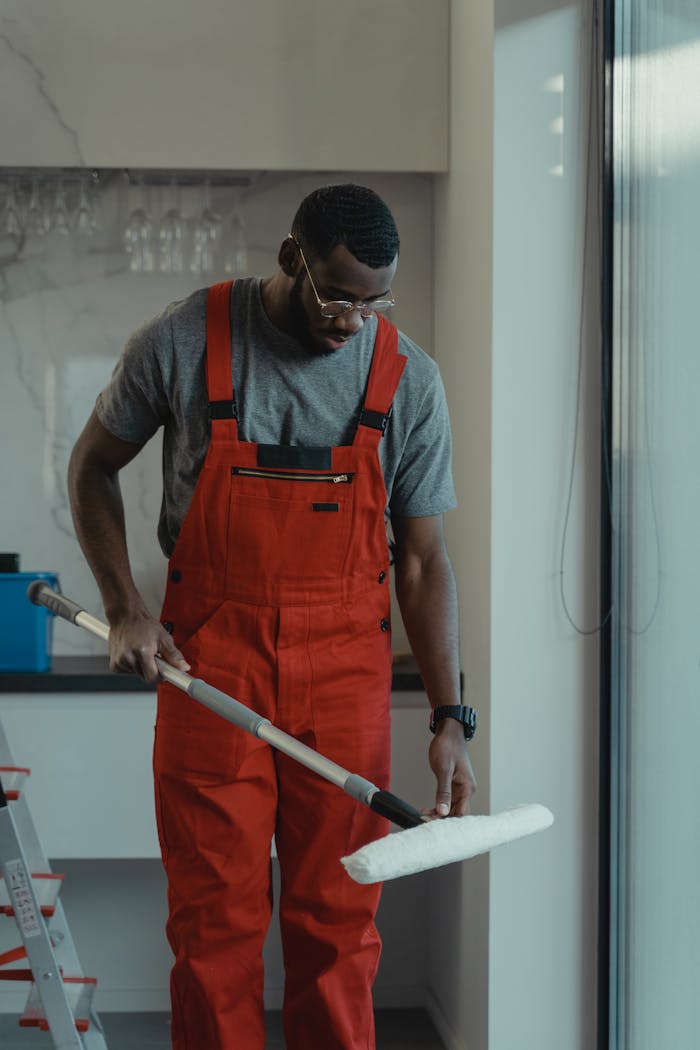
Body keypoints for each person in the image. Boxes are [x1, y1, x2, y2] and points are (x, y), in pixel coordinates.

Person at [67, 183, 476, 1050]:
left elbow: (424, 561)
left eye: (375, 301)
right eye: (338, 295)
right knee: (213, 926)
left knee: (338, 924)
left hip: (343, 685)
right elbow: (91, 466)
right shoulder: (187, 338)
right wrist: (124, 607)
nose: (354, 321)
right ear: (294, 259)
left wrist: (450, 714)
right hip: (211, 665)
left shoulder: (409, 380)